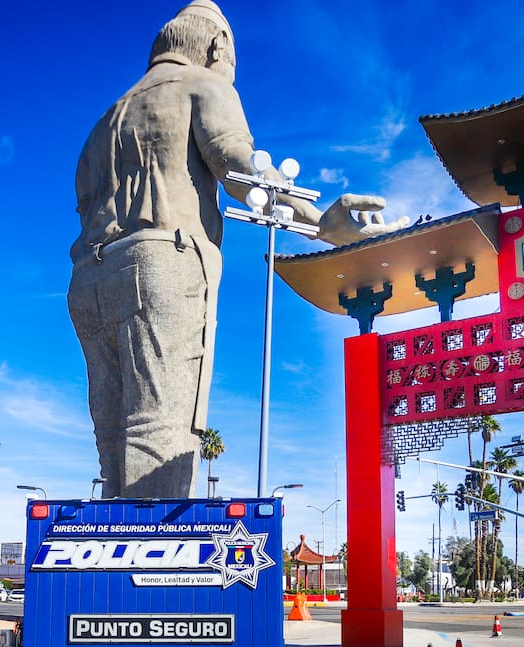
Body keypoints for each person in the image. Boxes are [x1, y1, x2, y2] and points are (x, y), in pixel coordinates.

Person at [68, 0, 407, 499]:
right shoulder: (203, 85)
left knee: (114, 434)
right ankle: (148, 560)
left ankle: (112, 551)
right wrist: (320, 224)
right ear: (217, 46)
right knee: (161, 428)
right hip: (162, 259)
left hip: (89, 277)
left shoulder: (102, 125)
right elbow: (238, 166)